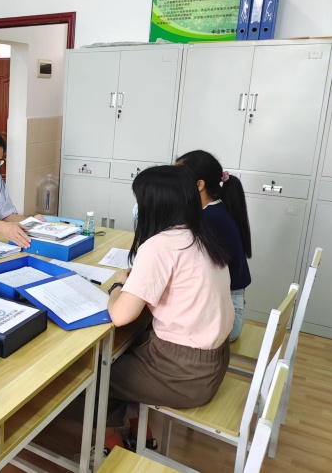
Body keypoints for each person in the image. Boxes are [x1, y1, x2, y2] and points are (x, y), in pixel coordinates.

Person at [105, 165, 233, 450]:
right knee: (127, 350)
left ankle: (107, 444)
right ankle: (140, 432)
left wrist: (117, 286)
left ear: (155, 204)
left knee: (96, 374)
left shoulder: (160, 245)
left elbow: (120, 315)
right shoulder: (203, 236)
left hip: (183, 373)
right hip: (213, 361)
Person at [176, 150, 252, 342]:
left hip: (225, 322)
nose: (172, 183)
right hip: (225, 310)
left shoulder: (209, 218)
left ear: (199, 185)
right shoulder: (214, 210)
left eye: (177, 177)